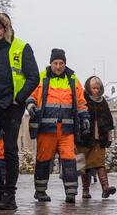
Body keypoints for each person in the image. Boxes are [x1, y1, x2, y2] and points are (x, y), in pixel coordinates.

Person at [0, 12, 40, 211]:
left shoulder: (21, 47)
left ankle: (9, 194)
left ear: (7, 28)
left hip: (11, 106)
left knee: (10, 149)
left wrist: (19, 98)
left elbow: (33, 77)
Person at [26, 49, 88, 204]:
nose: (58, 66)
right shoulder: (41, 78)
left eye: (61, 63)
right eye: (55, 63)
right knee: (43, 160)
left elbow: (81, 102)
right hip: (46, 129)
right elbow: (31, 95)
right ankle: (40, 191)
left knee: (69, 160)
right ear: (51, 63)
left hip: (67, 129)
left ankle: (71, 192)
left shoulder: (73, 80)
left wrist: (85, 117)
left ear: (65, 63)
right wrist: (31, 104)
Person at [77, 76, 116, 199]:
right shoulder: (83, 99)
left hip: (100, 138)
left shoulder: (103, 101)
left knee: (100, 163)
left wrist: (109, 137)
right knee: (84, 165)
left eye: (98, 88)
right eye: (94, 88)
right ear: (89, 87)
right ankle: (85, 190)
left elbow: (109, 120)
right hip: (85, 138)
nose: (96, 90)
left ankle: (105, 188)